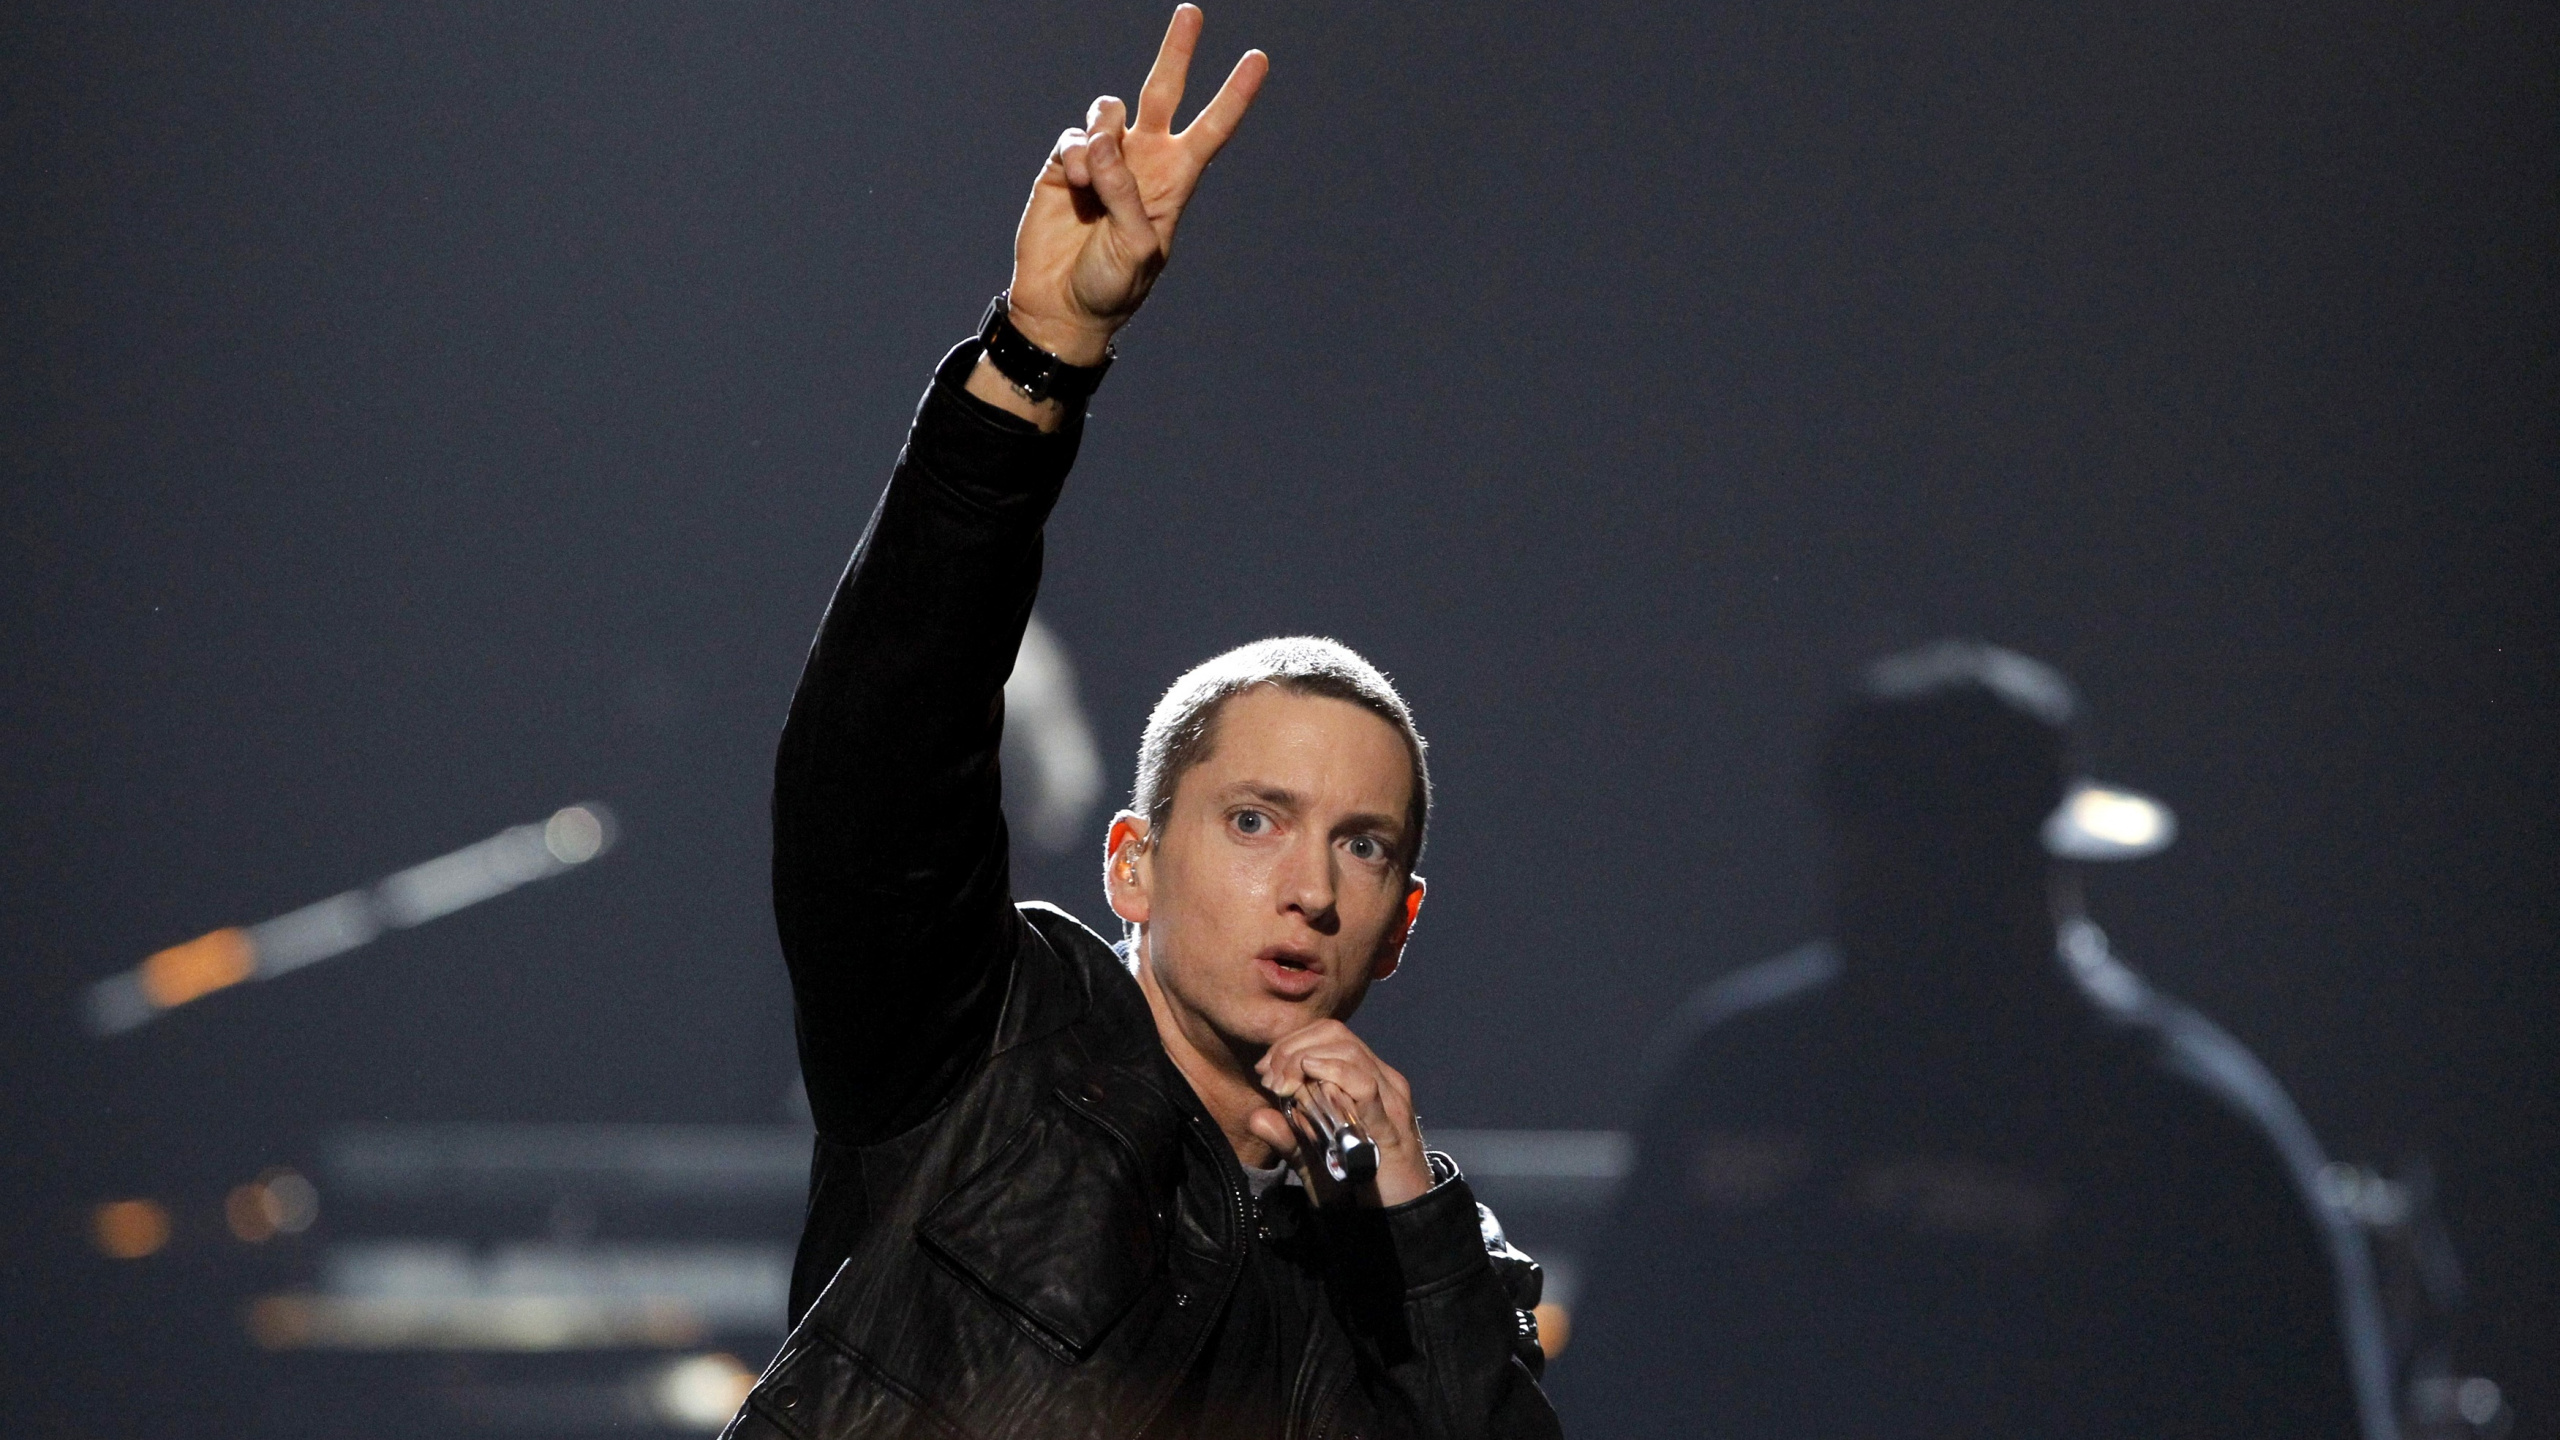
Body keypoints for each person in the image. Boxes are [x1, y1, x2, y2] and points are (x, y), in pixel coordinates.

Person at [724, 10, 1559, 1439]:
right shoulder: (991, 1048)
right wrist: (1042, 354)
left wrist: (1413, 1230)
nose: (1309, 889)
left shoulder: (1426, 1261)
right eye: (1255, 820)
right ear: (1129, 863)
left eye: (1362, 847)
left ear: (1401, 925)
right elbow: (877, 762)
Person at [1555, 641, 2398, 1440]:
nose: (1881, 876)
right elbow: (1604, 1387)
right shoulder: (1736, 1070)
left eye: (1934, 847)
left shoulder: (2183, 1126)